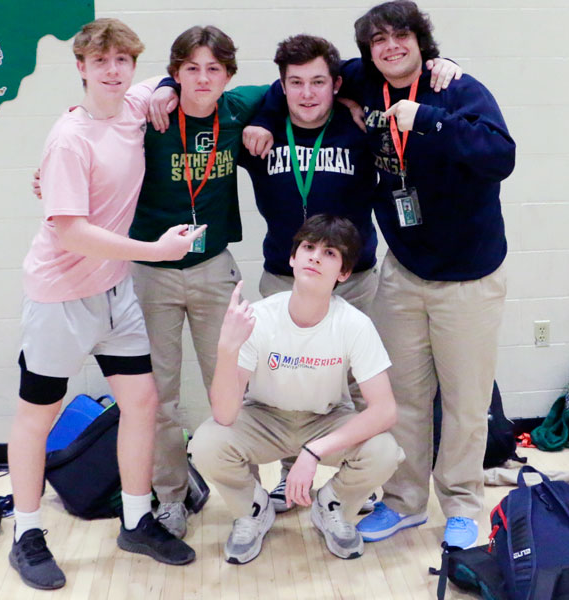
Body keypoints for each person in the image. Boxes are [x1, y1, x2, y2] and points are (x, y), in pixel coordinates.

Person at [9, 18, 201, 590]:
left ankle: (137, 521)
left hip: (115, 294)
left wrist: (167, 88)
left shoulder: (136, 103)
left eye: (123, 61)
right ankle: (26, 533)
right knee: (37, 416)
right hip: (61, 297)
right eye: (102, 63)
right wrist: (154, 251)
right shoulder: (70, 139)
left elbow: (165, 85)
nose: (114, 71)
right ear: (82, 68)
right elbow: (69, 230)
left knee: (141, 401)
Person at [240, 34, 460, 512]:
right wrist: (164, 91)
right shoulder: (264, 130)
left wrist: (445, 61)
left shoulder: (361, 124)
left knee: (365, 389)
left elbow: (405, 80)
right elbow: (210, 96)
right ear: (281, 87)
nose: (307, 93)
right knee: (278, 389)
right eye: (294, 83)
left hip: (356, 281)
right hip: (283, 278)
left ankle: (355, 483)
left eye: (319, 82)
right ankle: (283, 477)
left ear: (336, 83)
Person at [338, 1, 516, 550]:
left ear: (422, 42)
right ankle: (404, 501)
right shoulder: (365, 82)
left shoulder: (458, 91)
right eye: (379, 41)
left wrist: (431, 121)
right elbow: (313, 73)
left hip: (469, 275)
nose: (391, 47)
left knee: (465, 402)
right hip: (405, 270)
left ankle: (463, 504)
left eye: (402, 36)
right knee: (400, 398)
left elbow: (500, 155)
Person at [190, 215, 405, 564]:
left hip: (326, 418)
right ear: (292, 258)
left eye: (330, 253)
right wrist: (227, 350)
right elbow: (225, 414)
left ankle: (330, 505)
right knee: (207, 443)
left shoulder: (354, 324)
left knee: (385, 451)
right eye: (308, 247)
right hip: (264, 418)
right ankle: (253, 510)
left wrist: (313, 452)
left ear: (344, 273)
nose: (315, 257)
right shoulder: (258, 317)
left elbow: (385, 410)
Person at [128, 26, 268, 540]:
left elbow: (297, 85)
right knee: (159, 398)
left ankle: (248, 497)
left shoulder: (236, 110)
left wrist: (267, 123)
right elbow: (92, 121)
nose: (203, 78)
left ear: (228, 75)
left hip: (213, 270)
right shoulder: (150, 115)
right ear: (175, 73)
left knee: (231, 390)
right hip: (152, 274)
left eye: (214, 69)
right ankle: (170, 496)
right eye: (190, 69)